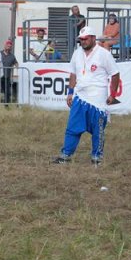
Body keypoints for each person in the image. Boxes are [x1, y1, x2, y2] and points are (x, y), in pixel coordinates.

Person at [52, 26, 120, 166]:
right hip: (80, 96)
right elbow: (73, 73)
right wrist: (70, 92)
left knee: (98, 130)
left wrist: (112, 94)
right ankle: (65, 156)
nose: (83, 41)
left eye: (85, 39)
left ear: (93, 38)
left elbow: (115, 74)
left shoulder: (104, 54)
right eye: (81, 39)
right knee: (72, 127)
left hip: (98, 98)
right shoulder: (77, 53)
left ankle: (97, 158)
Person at [0, 39, 18, 104]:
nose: (8, 47)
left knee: (7, 91)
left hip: (7, 76)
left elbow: (16, 63)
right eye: (7, 46)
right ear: (4, 46)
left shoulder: (12, 56)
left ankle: (6, 105)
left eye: (10, 46)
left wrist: (19, 67)